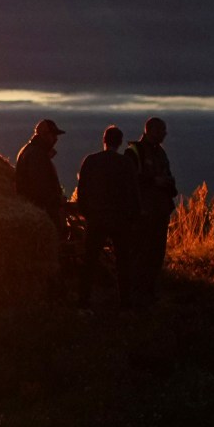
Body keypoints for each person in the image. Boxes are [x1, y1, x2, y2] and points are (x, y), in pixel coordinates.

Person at [72, 125, 142, 307]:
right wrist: (133, 218)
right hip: (120, 220)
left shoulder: (91, 161)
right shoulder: (125, 163)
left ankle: (83, 300)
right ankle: (125, 302)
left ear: (104, 140)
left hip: (96, 219)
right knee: (123, 263)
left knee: (90, 261)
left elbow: (82, 190)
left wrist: (86, 213)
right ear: (119, 142)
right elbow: (133, 193)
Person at [126, 117, 179, 303]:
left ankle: (149, 292)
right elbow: (129, 180)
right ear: (150, 130)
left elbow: (168, 175)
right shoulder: (134, 152)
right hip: (143, 213)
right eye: (161, 130)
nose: (164, 134)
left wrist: (168, 184)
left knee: (156, 254)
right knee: (140, 253)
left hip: (160, 212)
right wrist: (153, 181)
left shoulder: (161, 153)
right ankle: (134, 294)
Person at [14, 119, 66, 224]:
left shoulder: (30, 151)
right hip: (42, 213)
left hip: (35, 210)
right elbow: (41, 187)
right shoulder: (37, 155)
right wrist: (57, 201)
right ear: (44, 135)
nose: (56, 139)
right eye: (53, 135)